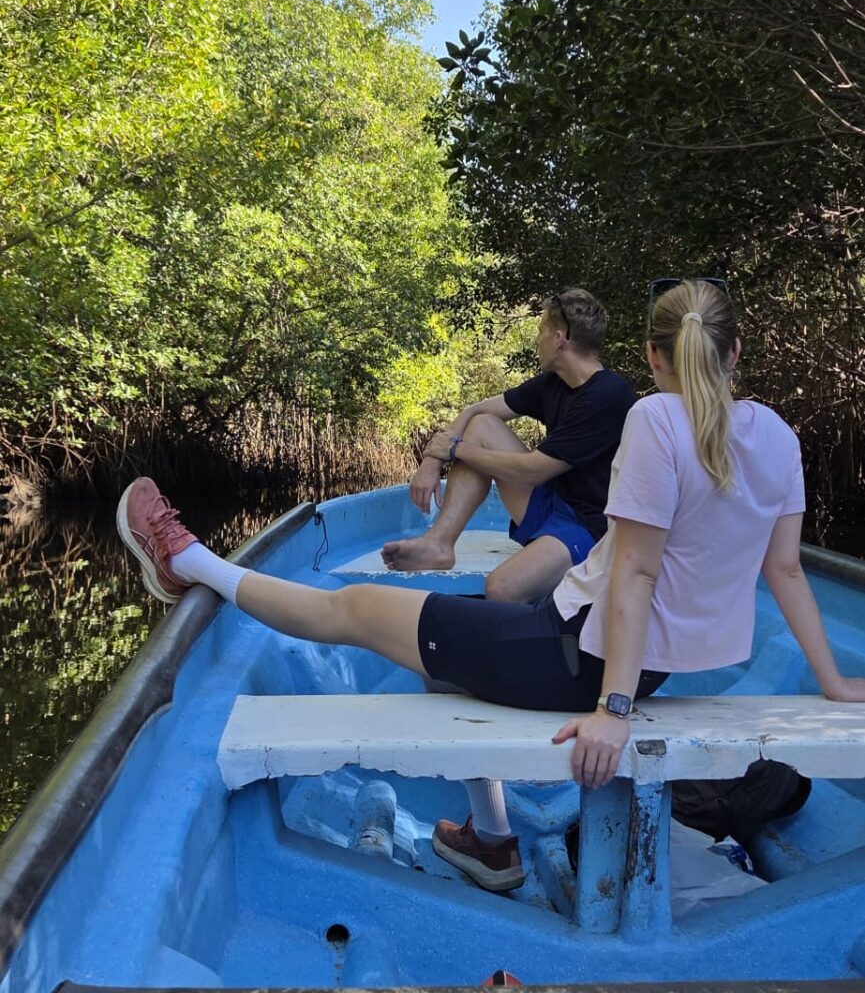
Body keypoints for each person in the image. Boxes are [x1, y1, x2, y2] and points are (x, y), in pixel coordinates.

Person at [117, 279, 865, 896]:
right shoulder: (775, 433)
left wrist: (613, 709)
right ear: (734, 351)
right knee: (440, 654)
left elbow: (636, 570)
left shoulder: (652, 418)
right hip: (610, 654)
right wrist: (830, 680)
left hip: (576, 659)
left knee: (353, 608)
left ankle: (185, 562)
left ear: (651, 357)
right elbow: (785, 567)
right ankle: (493, 842)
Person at [382, 288, 635, 603]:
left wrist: (454, 450)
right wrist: (432, 462)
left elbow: (535, 471)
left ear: (559, 338)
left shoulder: (607, 395)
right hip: (553, 504)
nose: (537, 339)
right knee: (482, 425)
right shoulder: (555, 383)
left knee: (502, 588)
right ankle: (439, 543)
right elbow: (476, 410)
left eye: (541, 330)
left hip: (590, 529)